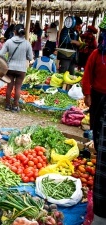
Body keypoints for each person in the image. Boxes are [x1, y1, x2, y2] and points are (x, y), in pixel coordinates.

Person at [82, 14, 106, 225]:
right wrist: (87, 94)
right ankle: (99, 151)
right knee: (97, 128)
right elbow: (87, 74)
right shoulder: (97, 55)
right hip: (98, 97)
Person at [0, 24, 33, 112]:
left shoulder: (9, 42)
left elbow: (1, 54)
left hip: (10, 68)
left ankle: (7, 105)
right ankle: (15, 106)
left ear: (14, 31)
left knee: (9, 86)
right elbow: (30, 57)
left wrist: (7, 61)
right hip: (21, 69)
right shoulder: (27, 43)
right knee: (18, 87)